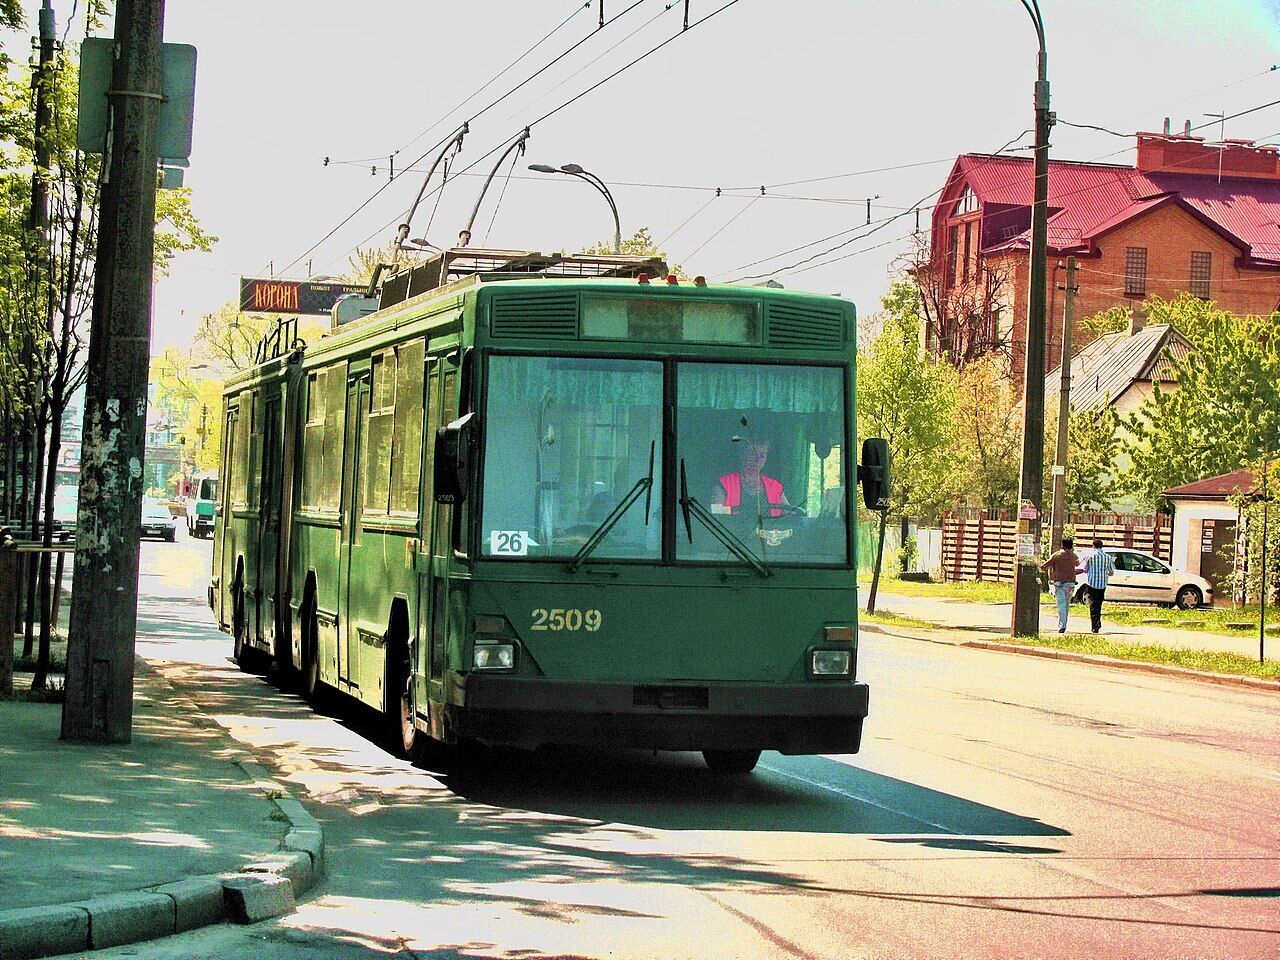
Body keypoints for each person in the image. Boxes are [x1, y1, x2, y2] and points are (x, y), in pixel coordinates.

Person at [711, 438, 789, 518]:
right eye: (754, 454)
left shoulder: (775, 487)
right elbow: (716, 516)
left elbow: (792, 517)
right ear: (742, 454)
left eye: (762, 455)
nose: (758, 459)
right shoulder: (724, 485)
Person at [1040, 537, 1082, 633]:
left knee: (1061, 604)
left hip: (1059, 583)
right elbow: (1078, 564)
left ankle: (1062, 625)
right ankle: (1064, 622)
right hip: (1071, 583)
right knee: (1066, 604)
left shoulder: (1056, 555)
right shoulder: (1074, 556)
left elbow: (1045, 565)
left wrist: (1041, 567)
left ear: (1062, 544)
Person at [1082, 538, 1116, 634]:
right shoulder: (1107, 557)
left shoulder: (1090, 556)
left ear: (1093, 546)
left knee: (1092, 604)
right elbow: (1111, 572)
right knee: (1099, 603)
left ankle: (1095, 625)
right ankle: (1098, 622)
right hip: (1102, 583)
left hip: (1092, 583)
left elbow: (1084, 568)